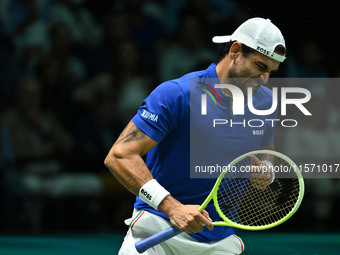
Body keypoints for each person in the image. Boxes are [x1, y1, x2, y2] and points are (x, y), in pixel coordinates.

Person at [104, 17, 286, 255]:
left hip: (219, 241)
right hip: (158, 230)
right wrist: (172, 208)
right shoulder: (177, 94)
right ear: (235, 51)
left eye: (271, 72)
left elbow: (265, 150)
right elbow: (119, 156)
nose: (264, 80)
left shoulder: (266, 102)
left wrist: (265, 170)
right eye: (260, 67)